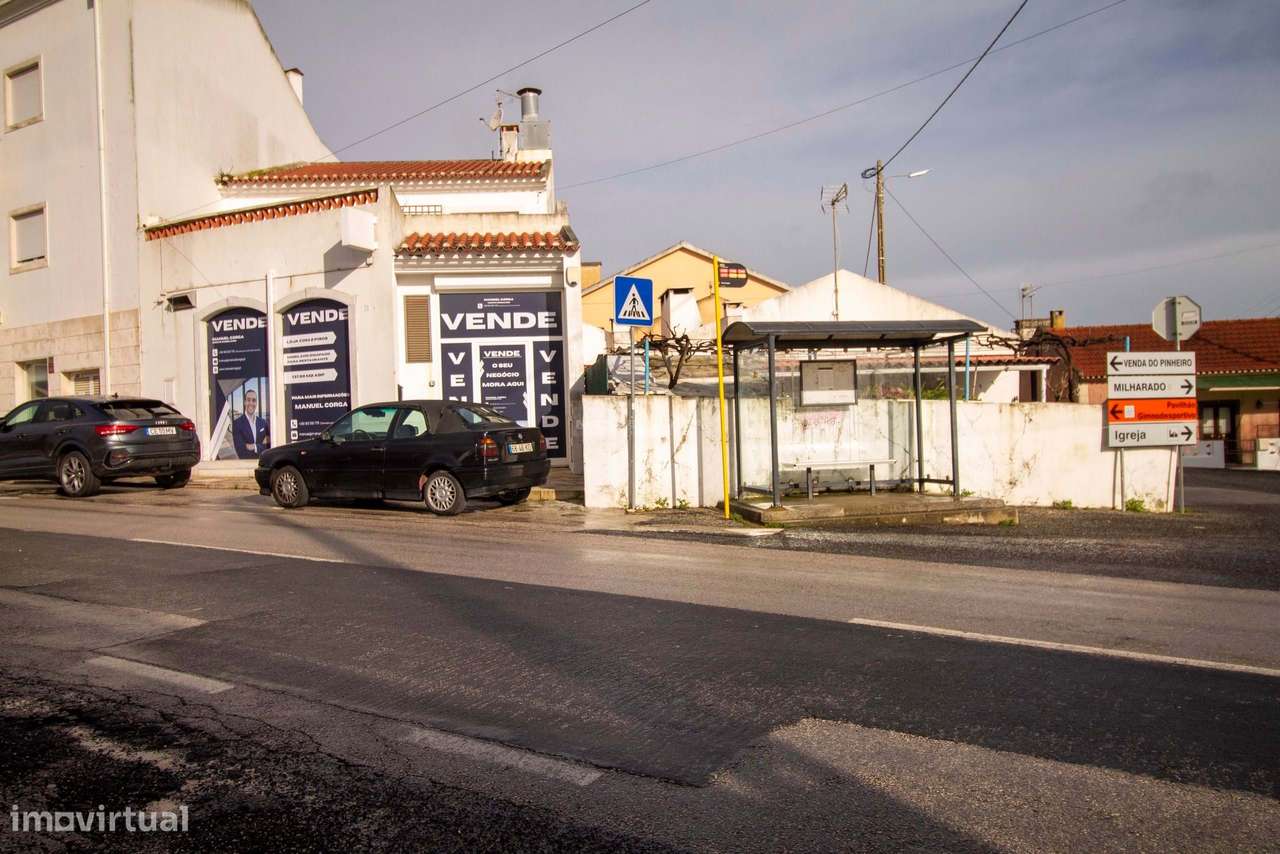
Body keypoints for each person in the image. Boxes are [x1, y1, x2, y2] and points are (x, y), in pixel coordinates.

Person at [232, 389, 270, 459]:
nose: (251, 403)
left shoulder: (263, 422)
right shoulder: (237, 424)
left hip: (263, 464)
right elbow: (241, 452)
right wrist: (261, 446)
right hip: (246, 465)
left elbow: (270, 445)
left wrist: (254, 447)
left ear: (256, 403)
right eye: (248, 400)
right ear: (244, 402)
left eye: (254, 400)